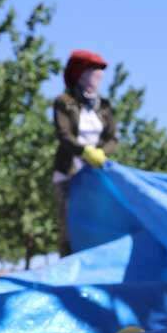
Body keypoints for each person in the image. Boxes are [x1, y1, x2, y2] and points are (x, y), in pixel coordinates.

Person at [51, 49, 118, 256]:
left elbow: (113, 138)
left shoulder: (104, 106)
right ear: (80, 74)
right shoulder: (64, 102)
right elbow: (64, 134)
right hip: (68, 174)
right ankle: (68, 265)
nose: (98, 76)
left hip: (95, 174)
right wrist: (84, 151)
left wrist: (101, 154)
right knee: (70, 228)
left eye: (100, 72)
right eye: (93, 70)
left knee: (96, 225)